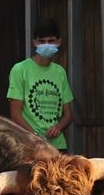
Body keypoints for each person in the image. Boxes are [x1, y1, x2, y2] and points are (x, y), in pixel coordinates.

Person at [7, 22, 74, 151]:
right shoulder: (20, 70)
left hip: (57, 147)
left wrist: (58, 127)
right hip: (29, 146)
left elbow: (68, 115)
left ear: (58, 42)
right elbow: (15, 115)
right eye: (42, 41)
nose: (46, 44)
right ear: (35, 43)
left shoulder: (60, 72)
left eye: (51, 41)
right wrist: (35, 137)